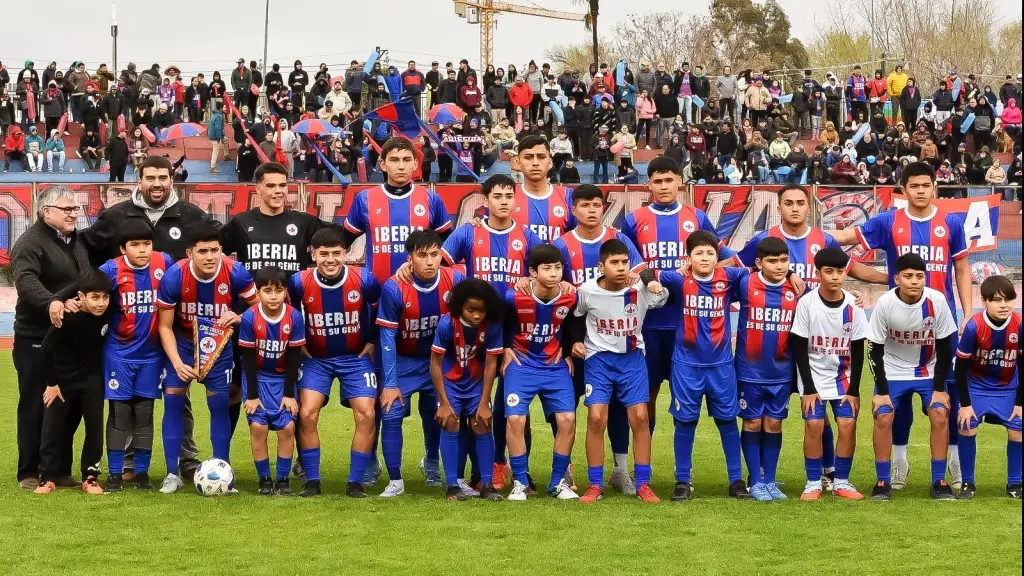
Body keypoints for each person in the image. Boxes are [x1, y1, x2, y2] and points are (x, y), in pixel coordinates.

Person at [828, 162, 972, 490]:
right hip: (897, 327)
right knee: (897, 402)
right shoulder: (889, 221)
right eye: (914, 186)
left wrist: (967, 313)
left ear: (934, 187)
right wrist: (806, 236)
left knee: (945, 397)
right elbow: (844, 238)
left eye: (926, 185)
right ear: (903, 190)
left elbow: (961, 270)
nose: (920, 190)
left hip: (940, 325)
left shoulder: (951, 222)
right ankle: (899, 461)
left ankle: (953, 462)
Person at [622, 157, 725, 437]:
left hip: (687, 322)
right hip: (648, 324)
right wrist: (647, 277)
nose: (664, 186)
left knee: (686, 397)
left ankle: (684, 471)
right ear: (648, 185)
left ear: (680, 182)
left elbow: (721, 257)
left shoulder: (697, 217)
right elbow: (627, 260)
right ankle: (645, 466)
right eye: (658, 181)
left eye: (669, 180)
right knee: (647, 395)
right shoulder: (634, 220)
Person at [154, 222, 258, 493]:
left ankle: (223, 470)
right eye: (203, 251)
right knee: (173, 403)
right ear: (190, 253)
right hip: (183, 346)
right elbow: (164, 325)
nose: (210, 257)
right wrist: (177, 363)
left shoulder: (236, 272)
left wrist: (239, 316)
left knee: (219, 407)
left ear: (222, 250)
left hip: (219, 348)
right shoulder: (174, 276)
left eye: (215, 250)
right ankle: (172, 474)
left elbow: (258, 307)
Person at [655, 232, 751, 501]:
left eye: (710, 253)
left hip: (721, 364)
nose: (705, 257)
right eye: (699, 253)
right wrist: (652, 281)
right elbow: (647, 273)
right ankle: (683, 481)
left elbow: (751, 266)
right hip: (686, 364)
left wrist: (790, 276)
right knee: (685, 422)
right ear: (689, 258)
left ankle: (736, 480)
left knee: (727, 421)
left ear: (717, 257)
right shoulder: (679, 279)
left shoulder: (729, 278)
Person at [287, 229, 381, 498]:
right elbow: (289, 312)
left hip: (355, 359)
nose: (330, 259)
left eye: (337, 253)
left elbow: (380, 305)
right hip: (316, 360)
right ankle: (312, 480)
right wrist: (299, 340)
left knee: (366, 413)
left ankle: (355, 482)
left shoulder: (363, 279)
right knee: (307, 413)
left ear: (346, 254)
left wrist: (373, 339)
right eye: (324, 254)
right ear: (313, 254)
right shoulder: (299, 282)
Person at [573, 240, 668, 504]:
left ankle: (643, 483)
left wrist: (649, 280)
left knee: (639, 418)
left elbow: (660, 287)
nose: (621, 267)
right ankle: (594, 485)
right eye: (614, 263)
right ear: (601, 266)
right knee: (596, 418)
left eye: (625, 262)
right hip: (599, 361)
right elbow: (576, 316)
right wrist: (576, 341)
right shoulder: (587, 290)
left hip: (633, 359)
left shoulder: (640, 288)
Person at [12, 186, 92, 490]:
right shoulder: (29, 243)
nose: (74, 214)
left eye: (75, 209)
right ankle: (29, 471)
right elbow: (26, 281)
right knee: (35, 401)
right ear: (46, 212)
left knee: (68, 403)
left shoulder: (77, 240)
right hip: (35, 336)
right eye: (67, 209)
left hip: (69, 337)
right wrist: (52, 302)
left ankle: (57, 469)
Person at [376, 230, 462, 497]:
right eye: (421, 255)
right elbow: (387, 337)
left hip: (440, 360)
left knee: (440, 414)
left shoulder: (455, 279)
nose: (429, 261)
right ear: (409, 258)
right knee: (391, 413)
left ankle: (433, 464)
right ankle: (395, 480)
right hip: (404, 361)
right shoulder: (394, 287)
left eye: (434, 255)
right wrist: (390, 384)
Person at [866, 253, 957, 501]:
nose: (914, 282)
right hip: (893, 370)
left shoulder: (936, 300)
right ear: (897, 279)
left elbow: (945, 346)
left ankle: (939, 480)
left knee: (940, 413)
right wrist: (882, 392)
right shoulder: (885, 304)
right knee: (883, 416)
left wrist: (939, 389)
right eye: (908, 276)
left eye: (919, 276)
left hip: (928, 370)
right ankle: (883, 480)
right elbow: (873, 349)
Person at [91, 220, 174, 492]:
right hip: (118, 355)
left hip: (151, 356)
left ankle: (142, 473)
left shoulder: (165, 263)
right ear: (123, 248)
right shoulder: (111, 269)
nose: (142, 250)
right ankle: (115, 474)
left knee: (144, 412)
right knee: (119, 413)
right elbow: (93, 296)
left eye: (146, 244)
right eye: (135, 245)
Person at [502, 245, 580, 501]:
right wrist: (503, 348)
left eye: (558, 268)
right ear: (532, 272)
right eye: (547, 268)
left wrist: (568, 349)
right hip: (522, 364)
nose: (554, 273)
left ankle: (557, 482)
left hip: (554, 366)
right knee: (515, 420)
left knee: (567, 419)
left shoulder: (571, 296)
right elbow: (497, 321)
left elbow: (576, 321)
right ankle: (520, 482)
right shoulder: (513, 297)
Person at [791, 247, 867, 501]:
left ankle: (842, 481)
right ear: (818, 273)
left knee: (847, 424)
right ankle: (813, 482)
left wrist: (854, 389)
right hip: (812, 375)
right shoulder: (807, 303)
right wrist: (809, 388)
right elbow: (799, 348)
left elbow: (858, 349)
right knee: (813, 424)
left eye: (840, 272)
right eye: (829, 272)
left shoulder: (853, 307)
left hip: (842, 377)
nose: (835, 277)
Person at [731, 237, 801, 501]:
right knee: (751, 422)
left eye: (784, 261)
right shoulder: (746, 282)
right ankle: (756, 481)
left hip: (782, 372)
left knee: (773, 424)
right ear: (758, 262)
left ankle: (770, 480)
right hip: (749, 371)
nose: (780, 266)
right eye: (772, 261)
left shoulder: (797, 289)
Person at [32, 269, 112, 495]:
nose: (101, 303)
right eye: (95, 297)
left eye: (105, 297)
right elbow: (46, 349)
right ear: (81, 296)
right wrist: (51, 384)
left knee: (95, 427)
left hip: (91, 380)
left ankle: (90, 477)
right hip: (62, 382)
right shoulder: (68, 316)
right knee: (52, 428)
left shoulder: (109, 313)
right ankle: (46, 477)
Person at [430, 278, 505, 502]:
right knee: (450, 421)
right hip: (450, 382)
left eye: (480, 310)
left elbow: (492, 363)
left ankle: (487, 484)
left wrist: (484, 402)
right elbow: (435, 363)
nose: (476, 315)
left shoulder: (491, 326)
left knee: (482, 424)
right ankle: (452, 485)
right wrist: (443, 402)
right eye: (470, 309)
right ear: (460, 306)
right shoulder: (447, 324)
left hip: (475, 382)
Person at [954, 275, 1022, 500]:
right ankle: (968, 483)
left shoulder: (1019, 324)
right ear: (983, 302)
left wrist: (1020, 403)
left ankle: (1015, 484)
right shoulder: (974, 326)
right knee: (966, 426)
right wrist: (964, 404)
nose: (1004, 305)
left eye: (1008, 299)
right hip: (976, 387)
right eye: (996, 300)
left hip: (1008, 388)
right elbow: (960, 368)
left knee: (1018, 431)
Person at [239, 266, 304, 496]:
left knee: (287, 427)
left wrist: (289, 393)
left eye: (278, 290)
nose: (273, 296)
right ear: (258, 294)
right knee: (258, 426)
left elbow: (294, 357)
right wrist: (252, 396)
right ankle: (264, 479)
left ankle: (283, 479)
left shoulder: (294, 317)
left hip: (282, 380)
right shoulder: (249, 318)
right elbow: (247, 359)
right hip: (256, 379)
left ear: (286, 292)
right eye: (267, 291)